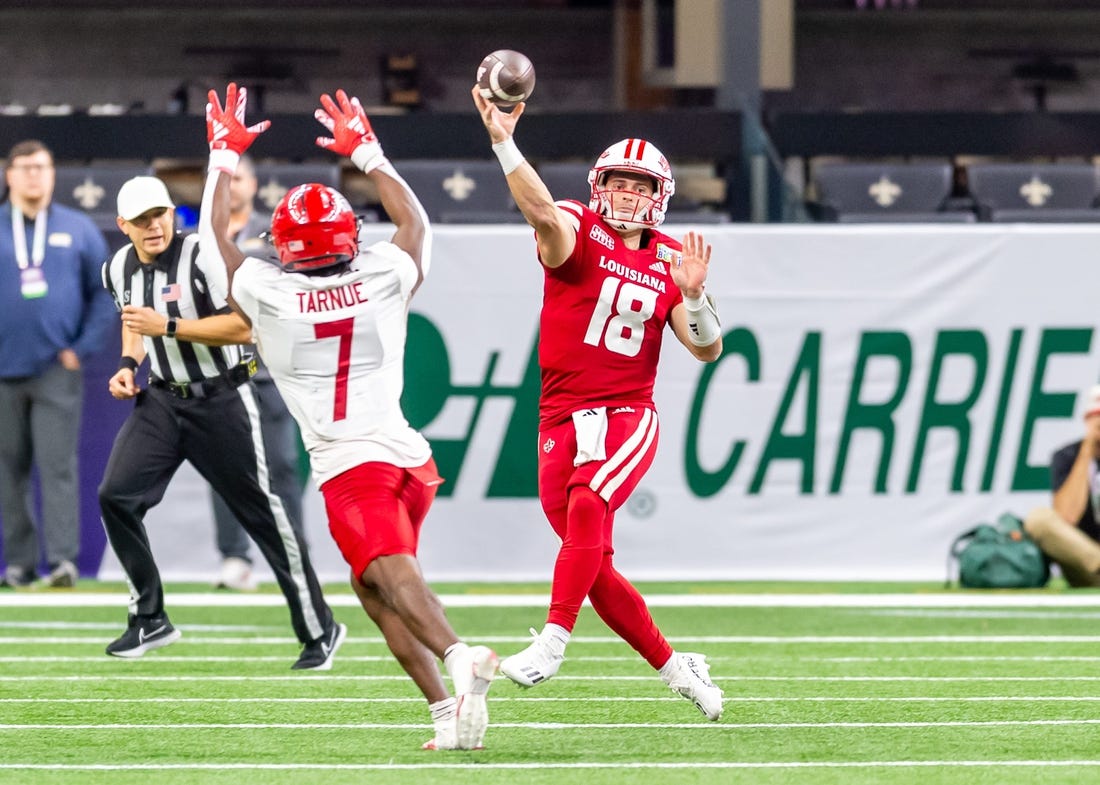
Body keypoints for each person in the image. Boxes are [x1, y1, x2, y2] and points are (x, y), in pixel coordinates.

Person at [198, 83, 498, 750]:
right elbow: (416, 224)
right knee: (373, 588)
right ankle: (446, 713)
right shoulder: (387, 271)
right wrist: (369, 151)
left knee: (390, 573)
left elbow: (211, 241)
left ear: (284, 245)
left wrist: (221, 157)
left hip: (350, 464)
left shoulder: (268, 292)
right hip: (407, 457)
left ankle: (457, 653)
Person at [472, 87, 726, 720]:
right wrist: (504, 141)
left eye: (642, 187)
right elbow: (540, 214)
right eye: (619, 183)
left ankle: (554, 640)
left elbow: (707, 349)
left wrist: (693, 298)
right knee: (596, 566)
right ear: (598, 186)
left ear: (660, 197)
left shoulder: (672, 260)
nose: (629, 195)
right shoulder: (577, 227)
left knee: (588, 503)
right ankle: (678, 668)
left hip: (627, 414)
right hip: (561, 413)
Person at [98, 173, 345, 669]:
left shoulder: (202, 256)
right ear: (123, 225)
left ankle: (319, 628)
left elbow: (244, 327)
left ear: (173, 213)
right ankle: (148, 615)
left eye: (160, 214)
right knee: (116, 496)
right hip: (164, 400)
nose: (153, 226)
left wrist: (167, 326)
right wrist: (128, 366)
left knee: (264, 516)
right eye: (142, 219)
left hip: (222, 397)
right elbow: (134, 328)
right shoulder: (118, 268)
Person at [0, 139, 116, 588]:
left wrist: (81, 347)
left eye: (42, 167)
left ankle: (64, 561)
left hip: (55, 368)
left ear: (53, 175)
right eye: (25, 167)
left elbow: (103, 293)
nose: (34, 175)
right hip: (4, 369)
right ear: (9, 174)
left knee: (58, 466)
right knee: (8, 471)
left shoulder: (78, 228)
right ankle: (20, 564)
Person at [208, 152, 307, 592]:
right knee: (227, 467)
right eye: (224, 181)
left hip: (268, 368)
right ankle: (234, 557)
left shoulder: (275, 236)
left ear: (253, 184)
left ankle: (294, 552)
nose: (233, 188)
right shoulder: (199, 241)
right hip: (218, 370)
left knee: (282, 465)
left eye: (239, 178)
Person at [1023, 384, 1100, 587]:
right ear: (1086, 419)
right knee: (1039, 518)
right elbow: (1067, 516)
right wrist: (1087, 451)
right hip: (1087, 565)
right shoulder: (1068, 456)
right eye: (1096, 415)